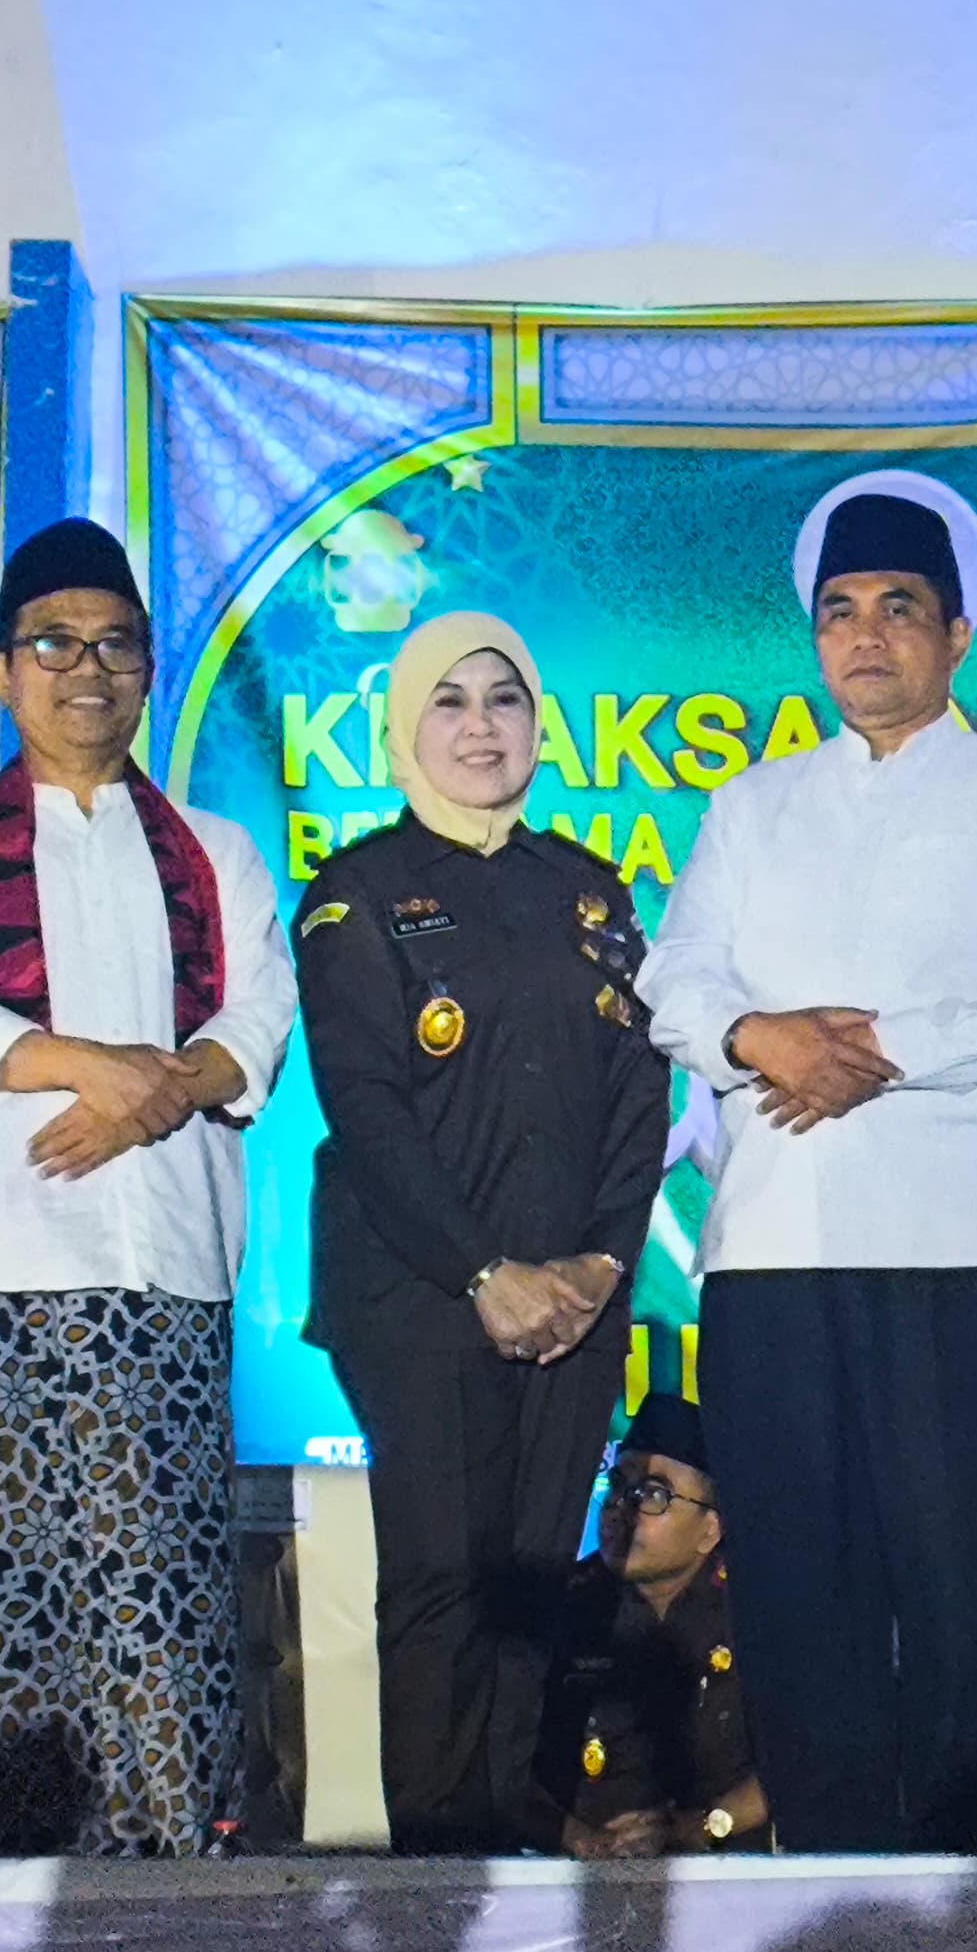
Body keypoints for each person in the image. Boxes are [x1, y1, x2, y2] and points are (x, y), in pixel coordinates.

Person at [638, 491, 977, 1855]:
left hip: (956, 1244)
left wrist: (882, 1048)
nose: (866, 637)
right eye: (840, 612)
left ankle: (969, 1891)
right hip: (776, 1250)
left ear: (957, 633)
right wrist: (761, 1036)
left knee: (960, 1582)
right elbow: (679, 981)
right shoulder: (754, 803)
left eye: (898, 606)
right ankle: (822, 1889)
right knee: (797, 1582)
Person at [0, 517, 294, 1856]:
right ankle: (13, 1887)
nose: (87, 669)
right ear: (2, 673)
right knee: (14, 1590)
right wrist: (110, 1071)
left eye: (115, 643)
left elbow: (258, 1018)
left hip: (168, 1267)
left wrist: (157, 1090)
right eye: (54, 643)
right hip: (8, 1263)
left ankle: (169, 1871)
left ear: (150, 665)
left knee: (161, 1584)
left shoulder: (214, 850)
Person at [293, 610, 670, 1853]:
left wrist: (603, 1262)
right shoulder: (353, 893)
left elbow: (636, 1092)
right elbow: (365, 1107)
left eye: (502, 699)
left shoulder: (586, 887)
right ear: (407, 727)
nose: (477, 726)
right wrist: (482, 1272)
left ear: (535, 723)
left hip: (576, 1298)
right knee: (445, 1579)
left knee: (534, 1580)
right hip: (421, 1296)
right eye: (447, 702)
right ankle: (440, 1883)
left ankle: (515, 1854)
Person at [534, 1394, 763, 1857]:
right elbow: (501, 1766)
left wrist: (703, 1827)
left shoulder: (757, 1614)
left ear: (710, 1531)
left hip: (727, 1872)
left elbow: (804, 1760)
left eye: (653, 1495)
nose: (623, 1510)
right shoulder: (559, 1608)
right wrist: (575, 1837)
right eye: (618, 1488)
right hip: (578, 1873)